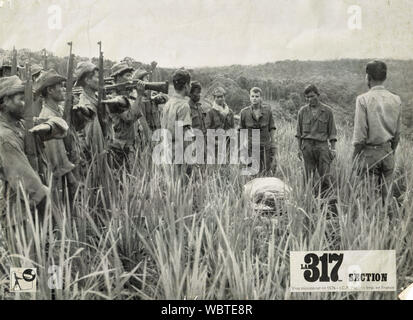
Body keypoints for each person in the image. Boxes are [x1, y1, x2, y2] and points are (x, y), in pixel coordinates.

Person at [0, 75, 68, 219]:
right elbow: (29, 185)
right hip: (22, 214)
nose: (26, 104)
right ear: (5, 101)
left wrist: (48, 127)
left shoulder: (22, 124)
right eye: (21, 99)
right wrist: (54, 217)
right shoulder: (5, 137)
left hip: (35, 207)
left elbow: (60, 125)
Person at [352, 60, 402, 206]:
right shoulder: (396, 99)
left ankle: (370, 228)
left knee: (368, 201)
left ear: (368, 77)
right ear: (384, 77)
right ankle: (387, 226)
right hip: (387, 152)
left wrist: (354, 159)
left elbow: (360, 137)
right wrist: (390, 151)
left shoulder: (362, 100)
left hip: (369, 154)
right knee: (387, 199)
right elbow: (397, 134)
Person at [35, 70, 87, 203]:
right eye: (61, 86)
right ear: (50, 90)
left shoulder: (59, 111)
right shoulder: (47, 118)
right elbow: (57, 160)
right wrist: (72, 180)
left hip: (71, 172)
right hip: (63, 181)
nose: (64, 89)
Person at [296, 84, 337, 197]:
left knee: (325, 177)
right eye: (307, 97)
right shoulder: (302, 111)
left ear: (318, 95)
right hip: (307, 147)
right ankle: (308, 201)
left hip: (322, 147)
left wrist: (333, 149)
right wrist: (299, 149)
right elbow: (299, 133)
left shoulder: (327, 111)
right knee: (307, 177)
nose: (310, 99)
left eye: (312, 96)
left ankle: (327, 203)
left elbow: (332, 132)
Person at [108, 62, 144, 168]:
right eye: (127, 75)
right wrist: (139, 96)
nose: (130, 79)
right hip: (119, 148)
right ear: (118, 77)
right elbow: (129, 117)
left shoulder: (127, 97)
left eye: (131, 75)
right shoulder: (113, 99)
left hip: (130, 146)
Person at [160, 69, 192, 178]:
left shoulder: (168, 103)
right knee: (181, 187)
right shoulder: (184, 105)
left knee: (170, 185)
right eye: (190, 84)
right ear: (186, 85)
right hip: (178, 152)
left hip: (166, 150)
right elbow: (185, 134)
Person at [239, 87, 277, 175]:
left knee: (266, 170)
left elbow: (271, 128)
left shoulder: (267, 112)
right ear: (249, 97)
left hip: (265, 146)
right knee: (252, 171)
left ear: (261, 98)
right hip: (251, 146)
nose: (254, 98)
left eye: (257, 96)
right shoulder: (244, 113)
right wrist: (243, 144)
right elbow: (241, 129)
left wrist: (273, 142)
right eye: (252, 96)